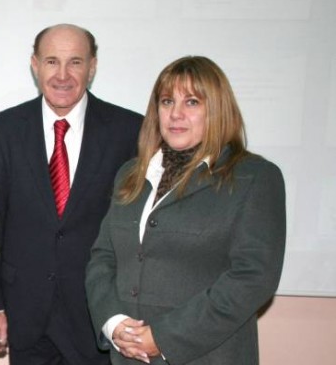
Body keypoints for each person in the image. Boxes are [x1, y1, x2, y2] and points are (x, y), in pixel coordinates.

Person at [85, 56, 286, 365]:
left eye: (192, 102)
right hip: (128, 356)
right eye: (167, 101)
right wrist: (113, 323)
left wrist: (163, 338)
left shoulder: (254, 177)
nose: (175, 114)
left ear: (216, 109)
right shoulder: (131, 174)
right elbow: (103, 257)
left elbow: (252, 278)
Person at [0, 24, 143, 364]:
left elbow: (136, 230)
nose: (63, 75)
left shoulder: (128, 129)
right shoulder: (6, 128)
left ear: (93, 66)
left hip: (96, 313)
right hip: (24, 313)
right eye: (52, 61)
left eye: (75, 62)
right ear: (35, 65)